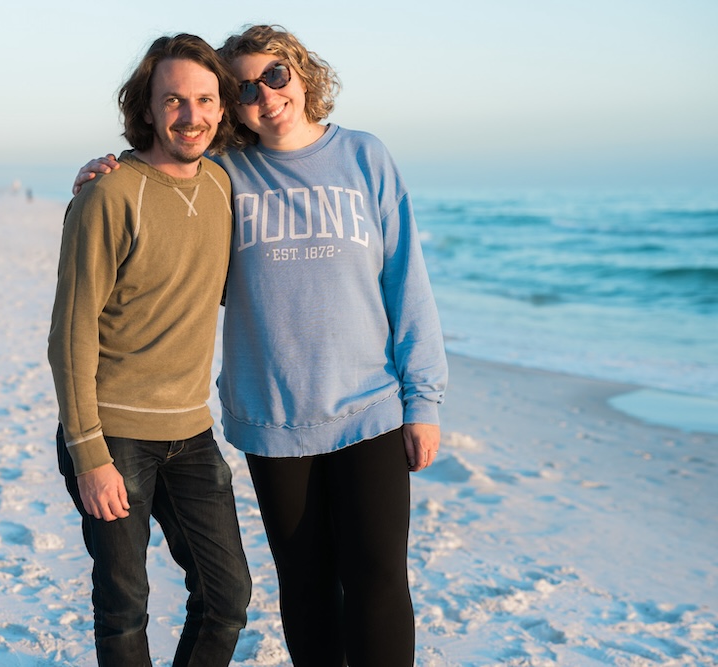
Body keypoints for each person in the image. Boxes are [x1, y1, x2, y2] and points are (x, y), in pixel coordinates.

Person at [74, 25, 447, 667]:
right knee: (304, 587)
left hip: (371, 408)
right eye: (243, 88)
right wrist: (102, 174)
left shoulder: (365, 155)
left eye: (275, 75)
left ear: (302, 74)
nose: (265, 95)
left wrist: (425, 400)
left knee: (379, 582)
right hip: (273, 418)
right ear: (231, 105)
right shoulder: (224, 175)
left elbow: (405, 279)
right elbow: (160, 186)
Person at [47, 33, 251, 667]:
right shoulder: (110, 193)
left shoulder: (223, 186)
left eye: (203, 99)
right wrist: (89, 455)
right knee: (123, 608)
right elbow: (70, 331)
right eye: (173, 100)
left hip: (191, 434)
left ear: (222, 108)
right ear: (147, 106)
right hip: (114, 435)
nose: (190, 115)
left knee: (227, 596)